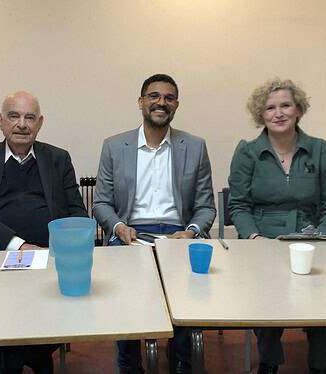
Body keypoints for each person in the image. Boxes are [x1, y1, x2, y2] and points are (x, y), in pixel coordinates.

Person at [0, 91, 87, 374]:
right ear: (0, 121)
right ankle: (34, 357)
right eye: (14, 116)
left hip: (49, 258)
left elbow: (77, 211)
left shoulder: (58, 159)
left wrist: (63, 248)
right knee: (10, 307)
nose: (22, 124)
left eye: (30, 118)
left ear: (40, 123)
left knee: (47, 302)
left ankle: (19, 356)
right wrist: (19, 245)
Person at [93, 73, 216, 374]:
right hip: (130, 235)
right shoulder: (114, 146)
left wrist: (190, 232)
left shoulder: (195, 146)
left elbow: (205, 207)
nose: (161, 102)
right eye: (154, 96)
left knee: (186, 305)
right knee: (127, 305)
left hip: (178, 236)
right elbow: (101, 203)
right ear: (141, 101)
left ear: (176, 105)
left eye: (169, 97)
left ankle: (182, 363)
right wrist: (119, 227)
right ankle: (129, 365)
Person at [228, 78, 326, 374]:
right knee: (266, 304)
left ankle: (320, 364)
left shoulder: (320, 149)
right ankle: (269, 361)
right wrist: (253, 237)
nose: (278, 113)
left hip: (313, 238)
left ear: (298, 110)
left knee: (321, 304)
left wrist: (325, 238)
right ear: (261, 115)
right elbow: (239, 205)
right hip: (263, 240)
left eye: (285, 105)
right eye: (270, 108)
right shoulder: (247, 152)